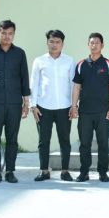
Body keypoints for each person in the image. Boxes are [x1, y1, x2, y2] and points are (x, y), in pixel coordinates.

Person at [0, 20, 31, 184]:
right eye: (4, 33)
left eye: (10, 33)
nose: (7, 36)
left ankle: (10, 171)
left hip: (14, 103)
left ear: (14, 34)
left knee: (12, 138)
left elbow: (24, 77)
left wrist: (26, 102)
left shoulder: (20, 53)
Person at [30, 29, 75, 182]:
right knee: (43, 141)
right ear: (47, 42)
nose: (54, 45)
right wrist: (33, 106)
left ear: (62, 44)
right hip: (43, 107)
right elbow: (34, 83)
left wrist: (74, 105)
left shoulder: (69, 61)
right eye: (51, 41)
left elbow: (73, 84)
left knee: (65, 140)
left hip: (64, 107)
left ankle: (65, 171)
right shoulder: (39, 61)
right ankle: (44, 171)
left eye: (57, 42)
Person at [70, 33, 109, 183]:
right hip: (85, 112)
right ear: (88, 45)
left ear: (102, 45)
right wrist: (74, 106)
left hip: (103, 112)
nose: (94, 45)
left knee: (103, 143)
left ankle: (103, 173)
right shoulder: (81, 64)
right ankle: (84, 172)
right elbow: (77, 87)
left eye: (97, 42)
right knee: (84, 144)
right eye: (91, 42)